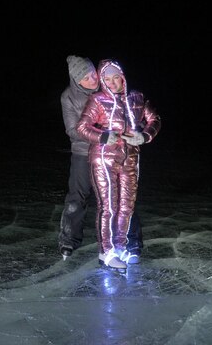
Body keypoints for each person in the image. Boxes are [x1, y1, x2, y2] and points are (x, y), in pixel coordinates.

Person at [76, 59, 161, 270]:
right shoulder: (98, 100)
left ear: (122, 76)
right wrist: (103, 136)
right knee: (109, 207)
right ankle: (107, 251)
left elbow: (155, 119)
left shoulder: (137, 98)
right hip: (104, 158)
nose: (112, 82)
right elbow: (82, 127)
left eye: (116, 77)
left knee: (127, 207)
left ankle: (121, 246)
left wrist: (144, 136)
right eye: (107, 79)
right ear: (102, 80)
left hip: (130, 158)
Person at [57, 55, 144, 261]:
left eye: (92, 74)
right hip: (83, 151)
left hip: (113, 154)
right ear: (76, 81)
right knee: (77, 197)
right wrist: (101, 136)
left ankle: (131, 241)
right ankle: (69, 240)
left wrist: (135, 131)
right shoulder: (68, 97)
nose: (91, 80)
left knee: (124, 197)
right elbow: (72, 129)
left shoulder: (106, 88)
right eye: (85, 78)